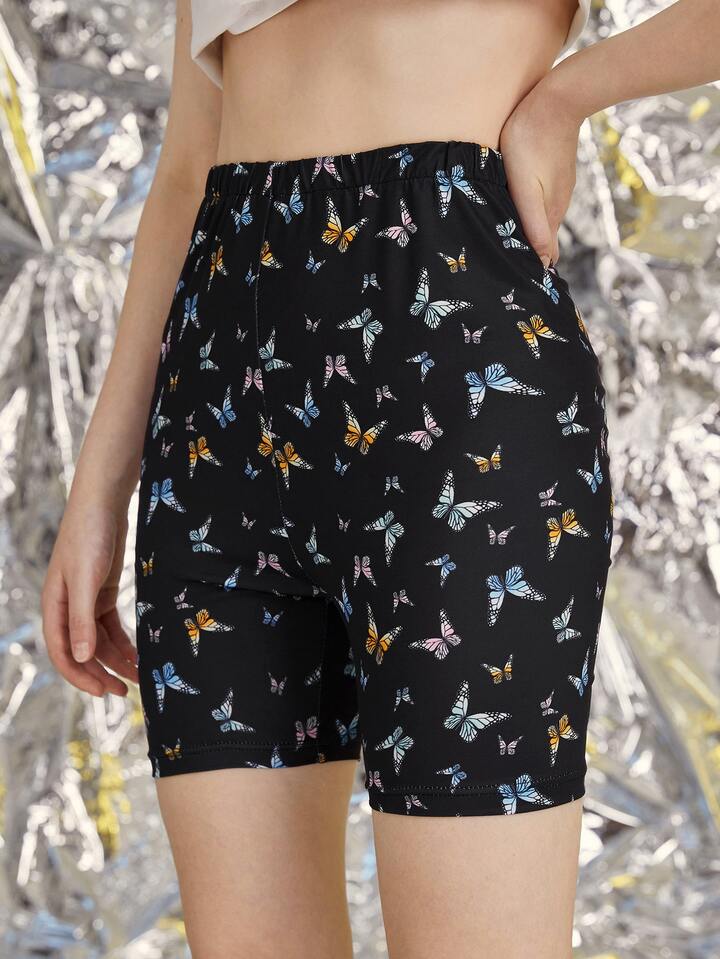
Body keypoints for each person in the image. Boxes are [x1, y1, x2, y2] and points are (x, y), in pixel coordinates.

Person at [40, 1, 719, 956]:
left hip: (457, 404)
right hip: (217, 418)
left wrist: (568, 95)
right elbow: (189, 167)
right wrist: (97, 492)